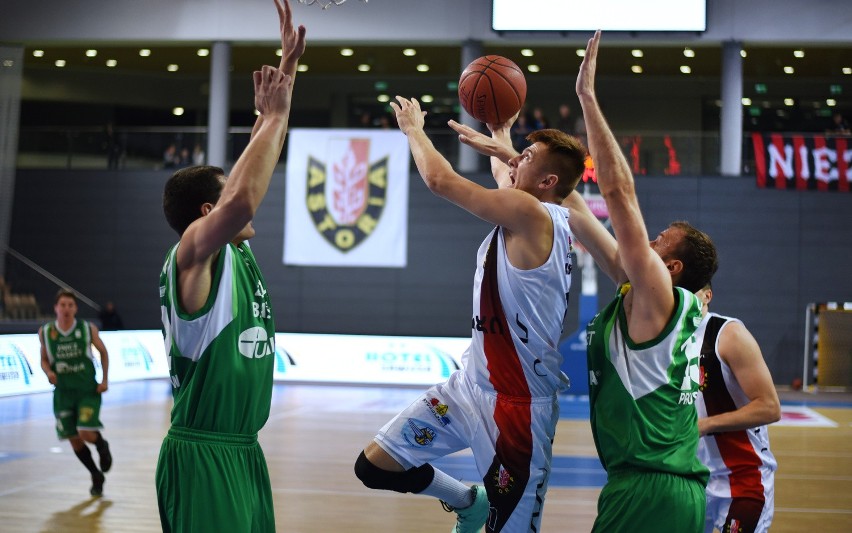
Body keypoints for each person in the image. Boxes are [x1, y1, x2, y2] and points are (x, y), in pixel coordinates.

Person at [353, 95, 587, 530]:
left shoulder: (533, 214)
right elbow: (506, 175)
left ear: (548, 180)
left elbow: (441, 181)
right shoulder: (531, 211)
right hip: (468, 386)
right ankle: (466, 500)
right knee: (375, 465)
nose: (514, 159)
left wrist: (413, 130)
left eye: (527, 156)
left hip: (518, 409)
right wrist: (501, 133)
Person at [155, 1, 305, 532]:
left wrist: (283, 80)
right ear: (204, 214)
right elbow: (238, 200)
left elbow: (241, 179)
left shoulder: (236, 254)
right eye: (223, 198)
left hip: (243, 451)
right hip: (202, 456)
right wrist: (278, 115)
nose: (246, 197)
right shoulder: (193, 252)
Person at [571, 31, 720, 532]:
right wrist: (514, 153)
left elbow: (616, 191)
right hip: (668, 488)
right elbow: (576, 213)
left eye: (659, 241)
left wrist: (589, 99)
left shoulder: (656, 293)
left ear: (671, 269)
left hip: (648, 488)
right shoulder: (647, 299)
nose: (647, 242)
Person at [693, 284, 781, 533]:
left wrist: (704, 425)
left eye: (693, 289)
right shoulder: (668, 339)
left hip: (742, 480)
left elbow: (770, 407)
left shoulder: (726, 333)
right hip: (691, 478)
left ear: (708, 295)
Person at [38, 288, 112, 496]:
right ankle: (95, 474)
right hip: (63, 393)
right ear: (56, 308)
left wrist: (105, 379)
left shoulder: (87, 329)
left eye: (70, 305)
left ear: (76, 308)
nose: (66, 309)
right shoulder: (45, 332)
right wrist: (48, 371)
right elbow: (44, 358)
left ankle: (101, 444)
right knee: (73, 438)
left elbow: (104, 352)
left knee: (85, 431)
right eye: (63, 305)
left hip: (87, 390)